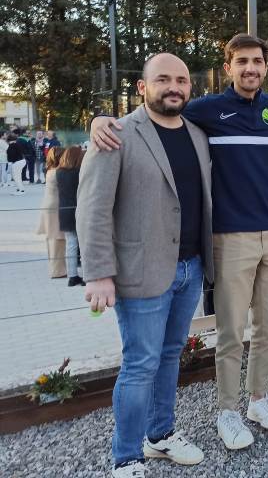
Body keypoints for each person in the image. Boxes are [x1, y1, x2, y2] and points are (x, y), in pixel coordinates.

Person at [90, 34, 268, 450]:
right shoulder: (204, 109)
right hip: (230, 237)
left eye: (257, 61)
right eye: (242, 61)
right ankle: (227, 411)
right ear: (228, 68)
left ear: (266, 66)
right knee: (231, 331)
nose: (250, 68)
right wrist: (101, 120)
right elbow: (152, 113)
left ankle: (259, 398)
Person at [77, 53, 213, 478]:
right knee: (140, 364)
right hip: (140, 271)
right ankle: (126, 456)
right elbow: (92, 207)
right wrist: (98, 272)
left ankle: (160, 434)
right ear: (142, 87)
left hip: (190, 268)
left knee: (170, 356)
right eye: (163, 79)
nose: (174, 87)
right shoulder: (116, 133)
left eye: (181, 80)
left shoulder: (197, 134)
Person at [36, 146, 66, 278]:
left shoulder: (49, 170)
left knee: (51, 238)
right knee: (58, 239)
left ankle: (55, 269)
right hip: (55, 207)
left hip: (48, 205)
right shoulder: (59, 172)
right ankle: (58, 271)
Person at [57, 146, 84, 287]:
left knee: (71, 244)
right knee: (83, 244)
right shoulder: (79, 172)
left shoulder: (59, 172)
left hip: (64, 210)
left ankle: (72, 276)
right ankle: (86, 275)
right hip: (79, 210)